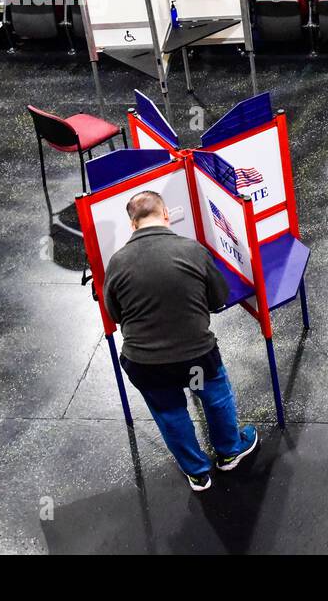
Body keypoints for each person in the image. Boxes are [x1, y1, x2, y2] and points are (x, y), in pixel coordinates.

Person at [103, 190, 258, 491]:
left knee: (170, 414)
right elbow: (219, 298)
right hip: (195, 359)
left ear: (132, 225)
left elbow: (115, 314)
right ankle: (229, 452)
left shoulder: (117, 262)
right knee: (215, 398)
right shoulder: (193, 250)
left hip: (147, 365)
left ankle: (198, 472)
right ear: (166, 216)